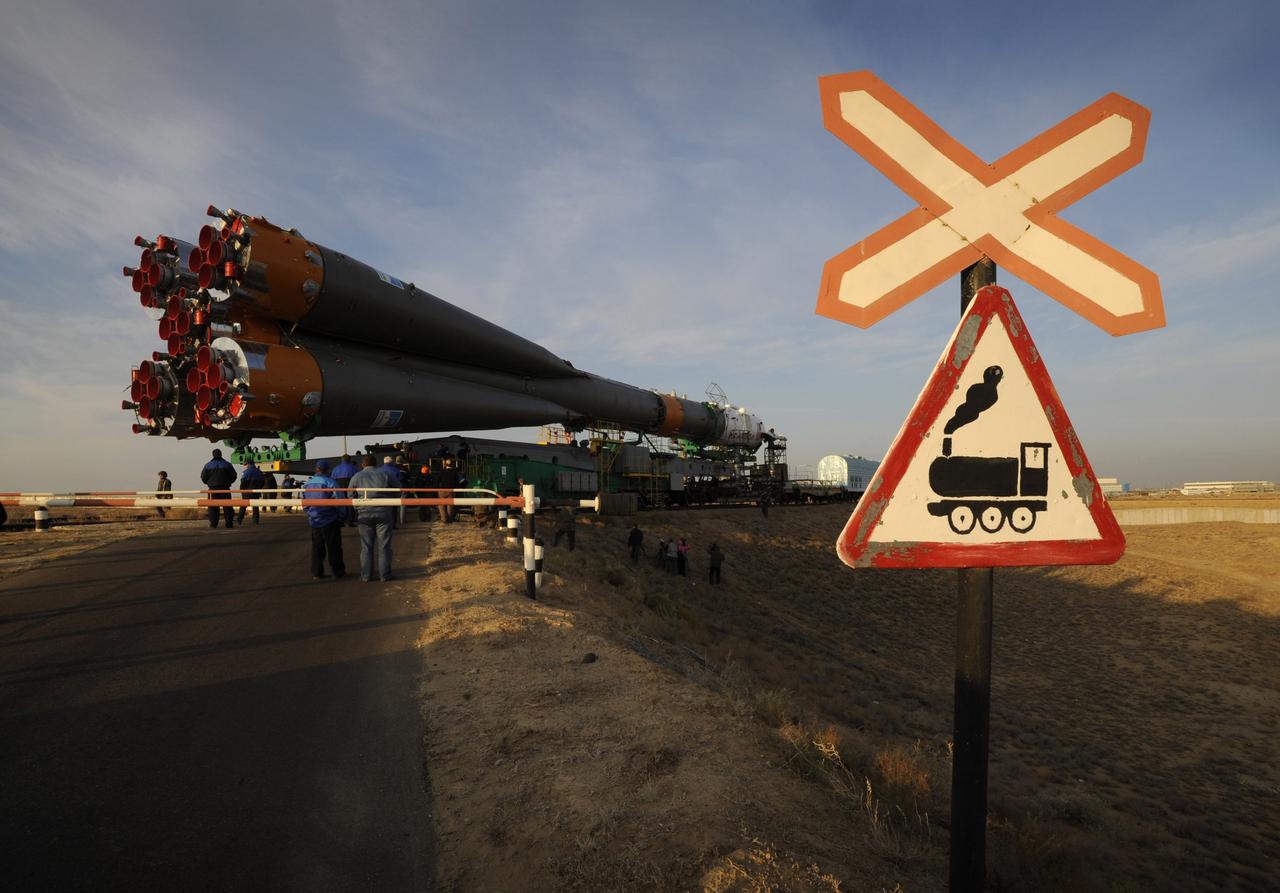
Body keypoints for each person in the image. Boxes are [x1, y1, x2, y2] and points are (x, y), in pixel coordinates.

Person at [350, 454, 396, 582]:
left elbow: (349, 494)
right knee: (384, 546)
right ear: (376, 464)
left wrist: (357, 507)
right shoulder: (386, 473)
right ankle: (385, 575)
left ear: (363, 464)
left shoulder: (357, 476)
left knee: (366, 546)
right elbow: (399, 489)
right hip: (383, 511)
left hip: (364, 513)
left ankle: (366, 576)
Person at [303, 460, 346, 579]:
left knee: (317, 547)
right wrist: (342, 516)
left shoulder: (307, 484)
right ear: (327, 470)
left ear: (316, 469)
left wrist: (310, 514)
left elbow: (305, 504)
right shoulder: (330, 482)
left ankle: (317, 572)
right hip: (330, 519)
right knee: (334, 547)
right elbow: (339, 501)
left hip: (315, 520)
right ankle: (337, 572)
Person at [200, 449, 237, 528]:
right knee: (227, 506)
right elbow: (234, 476)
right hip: (225, 488)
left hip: (212, 489)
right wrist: (228, 482)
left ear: (213, 455)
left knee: (213, 507)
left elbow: (203, 477)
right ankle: (229, 524)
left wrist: (209, 483)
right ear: (221, 454)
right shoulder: (227, 464)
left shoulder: (208, 465)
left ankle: (213, 524)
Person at [330, 454, 359, 527]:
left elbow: (332, 480)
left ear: (342, 460)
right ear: (349, 460)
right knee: (350, 503)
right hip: (350, 487)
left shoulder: (336, 469)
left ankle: (341, 521)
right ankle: (350, 521)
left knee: (340, 503)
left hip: (339, 487)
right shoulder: (353, 468)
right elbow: (357, 479)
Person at [237, 461, 266, 525]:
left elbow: (243, 482)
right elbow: (263, 482)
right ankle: (256, 521)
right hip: (256, 492)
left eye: (246, 464)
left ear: (249, 464)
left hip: (247, 492)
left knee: (243, 506)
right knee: (255, 507)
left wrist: (242, 490)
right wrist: (259, 489)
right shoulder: (259, 472)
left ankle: (239, 520)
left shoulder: (247, 472)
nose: (245, 466)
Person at [436, 459, 459, 523]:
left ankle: (444, 518)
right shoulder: (454, 472)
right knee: (450, 504)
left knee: (441, 504)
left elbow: (437, 481)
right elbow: (457, 482)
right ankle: (450, 518)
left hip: (442, 490)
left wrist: (438, 488)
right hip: (451, 490)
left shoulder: (442, 471)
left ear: (445, 465)